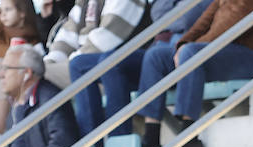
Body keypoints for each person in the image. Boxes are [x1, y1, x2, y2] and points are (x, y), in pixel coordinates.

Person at [137, 0, 253, 147]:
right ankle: (151, 139)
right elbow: (204, 20)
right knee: (155, 56)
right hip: (223, 48)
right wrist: (182, 45)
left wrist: (192, 49)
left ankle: (189, 137)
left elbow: (234, 21)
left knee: (191, 54)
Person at [64, 0, 213, 134]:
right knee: (78, 64)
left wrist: (166, 21)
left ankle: (120, 139)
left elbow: (186, 18)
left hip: (179, 52)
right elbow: (158, 14)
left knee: (111, 61)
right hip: (155, 50)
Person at [0, 0, 43, 139]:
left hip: (24, 77)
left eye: (8, 10)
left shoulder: (36, 32)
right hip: (6, 83)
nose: (3, 15)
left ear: (22, 13)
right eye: (0, 11)